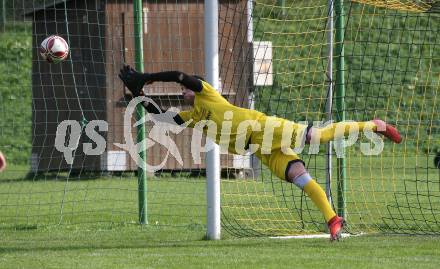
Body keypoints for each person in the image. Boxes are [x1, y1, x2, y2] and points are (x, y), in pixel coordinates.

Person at [118, 65, 402, 241]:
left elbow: (180, 74)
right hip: (259, 147)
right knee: (299, 177)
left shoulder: (207, 93)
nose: (182, 92)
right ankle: (333, 219)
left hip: (265, 129)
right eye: (182, 91)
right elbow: (163, 119)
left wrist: (148, 77)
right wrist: (138, 94)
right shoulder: (194, 116)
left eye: (184, 91)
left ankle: (373, 125)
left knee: (318, 136)